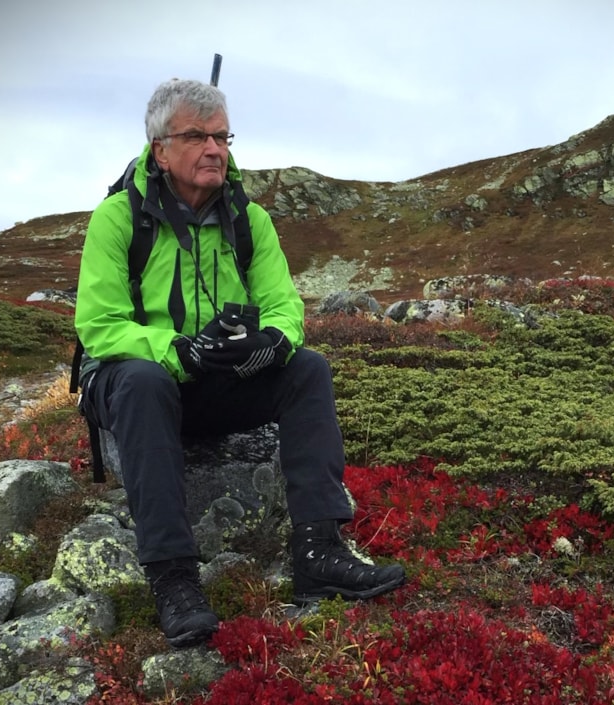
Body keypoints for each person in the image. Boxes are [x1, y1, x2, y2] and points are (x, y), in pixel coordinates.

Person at [74, 78, 405, 648]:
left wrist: (272, 342)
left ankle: (318, 554)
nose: (215, 149)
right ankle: (174, 578)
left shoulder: (248, 219)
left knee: (308, 369)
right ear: (160, 148)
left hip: (212, 382)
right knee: (147, 379)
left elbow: (284, 305)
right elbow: (99, 325)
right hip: (132, 384)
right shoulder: (118, 218)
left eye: (223, 136)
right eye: (197, 136)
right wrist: (178, 349)